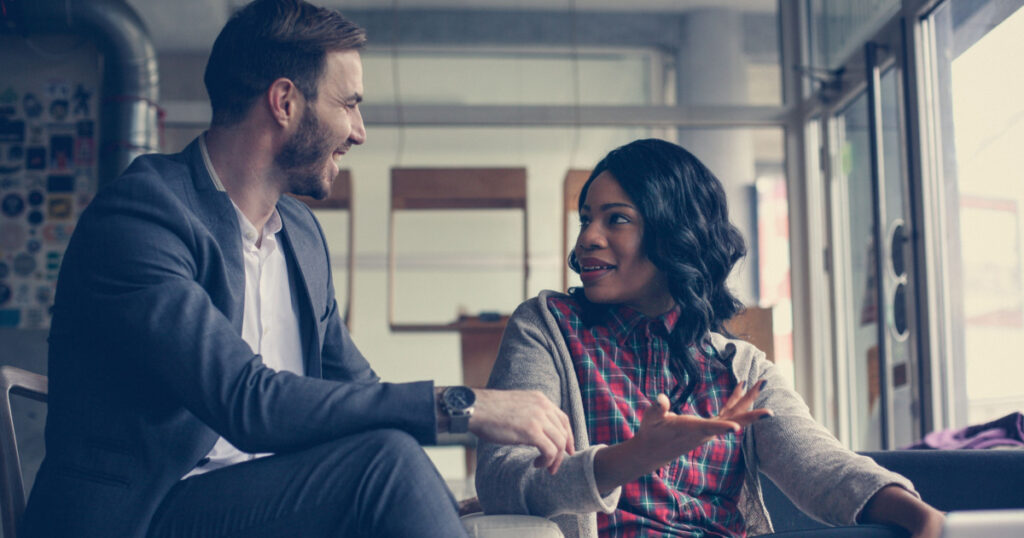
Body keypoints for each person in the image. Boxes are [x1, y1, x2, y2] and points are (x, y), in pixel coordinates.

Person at [21, 1, 573, 536]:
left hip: (260, 503)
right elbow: (246, 401)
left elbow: (362, 395)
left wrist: (432, 502)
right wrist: (465, 405)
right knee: (382, 464)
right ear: (284, 101)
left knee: (390, 460)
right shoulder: (143, 215)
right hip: (142, 513)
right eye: (350, 103)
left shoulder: (301, 236)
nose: (359, 131)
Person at [475, 138, 945, 538]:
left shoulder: (741, 369)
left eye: (615, 219)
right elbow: (502, 481)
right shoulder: (548, 328)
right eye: (586, 219)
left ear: (673, 232)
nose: (588, 239)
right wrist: (627, 459)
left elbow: (819, 465)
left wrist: (916, 512)